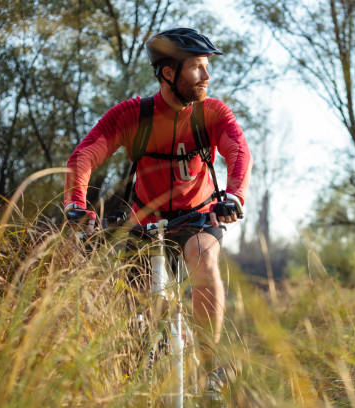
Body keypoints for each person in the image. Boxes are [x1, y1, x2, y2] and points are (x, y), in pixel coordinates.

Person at [63, 27, 252, 378]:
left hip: (199, 215)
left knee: (202, 261)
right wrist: (76, 204)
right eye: (197, 67)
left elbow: (238, 152)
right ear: (169, 72)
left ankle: (208, 366)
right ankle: (138, 368)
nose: (206, 76)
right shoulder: (133, 115)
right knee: (139, 304)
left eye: (206, 66)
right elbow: (84, 155)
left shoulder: (212, 113)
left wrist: (234, 196)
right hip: (144, 222)